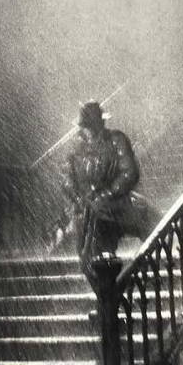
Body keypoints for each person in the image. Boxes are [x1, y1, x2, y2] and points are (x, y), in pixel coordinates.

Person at [62, 101, 142, 268]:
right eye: (87, 126)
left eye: (94, 125)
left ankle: (105, 268)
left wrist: (108, 194)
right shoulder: (75, 149)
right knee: (84, 244)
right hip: (86, 207)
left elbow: (129, 173)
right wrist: (78, 199)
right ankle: (93, 268)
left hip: (116, 204)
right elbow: (67, 179)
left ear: (101, 123)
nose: (90, 130)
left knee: (100, 230)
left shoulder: (116, 140)